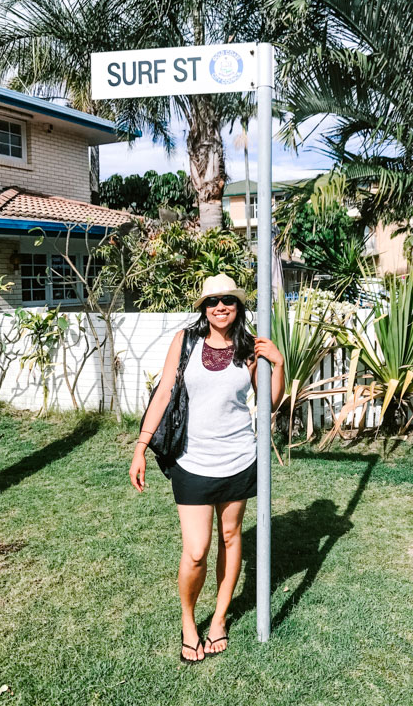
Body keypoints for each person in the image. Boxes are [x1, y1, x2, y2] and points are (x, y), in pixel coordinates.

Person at [129, 274, 285, 664]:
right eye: (212, 300)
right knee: (197, 551)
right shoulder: (185, 342)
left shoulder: (249, 348)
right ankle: (188, 622)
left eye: (228, 300)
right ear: (203, 306)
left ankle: (217, 620)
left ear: (238, 306)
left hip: (238, 459)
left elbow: (269, 403)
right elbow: (165, 392)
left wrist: (278, 364)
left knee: (231, 538)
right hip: (192, 461)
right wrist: (140, 446)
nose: (220, 307)